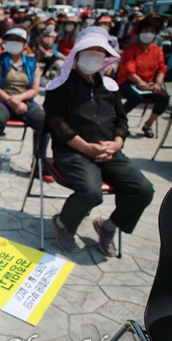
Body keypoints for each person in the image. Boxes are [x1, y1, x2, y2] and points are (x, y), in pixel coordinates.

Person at [44, 27, 154, 255]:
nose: (94, 56)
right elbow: (58, 124)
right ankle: (63, 224)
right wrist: (86, 148)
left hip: (109, 151)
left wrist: (116, 143)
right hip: (73, 152)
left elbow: (122, 121)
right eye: (89, 51)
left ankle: (109, 226)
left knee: (143, 190)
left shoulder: (110, 87)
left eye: (99, 52)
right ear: (77, 54)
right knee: (91, 192)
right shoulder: (59, 87)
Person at [0, 27, 47, 181]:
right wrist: (11, 101)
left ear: (25, 43)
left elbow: (35, 89)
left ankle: (39, 163)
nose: (14, 42)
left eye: (18, 40)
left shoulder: (32, 63)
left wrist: (19, 99)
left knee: (43, 119)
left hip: (23, 100)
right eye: (11, 39)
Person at [117, 15, 169, 138]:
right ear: (139, 32)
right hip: (128, 82)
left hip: (149, 84)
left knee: (164, 98)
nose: (148, 34)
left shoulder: (157, 50)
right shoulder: (131, 48)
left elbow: (161, 69)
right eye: (146, 31)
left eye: (152, 31)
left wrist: (157, 84)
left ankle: (148, 124)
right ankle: (118, 122)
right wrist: (139, 82)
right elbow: (129, 69)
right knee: (136, 97)